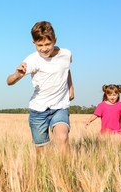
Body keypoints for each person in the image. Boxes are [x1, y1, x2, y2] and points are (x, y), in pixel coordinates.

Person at [7, 21, 74, 154]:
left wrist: (71, 88)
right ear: (34, 43)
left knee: (62, 137)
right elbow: (9, 82)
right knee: (41, 151)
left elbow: (67, 70)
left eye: (48, 44)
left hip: (60, 107)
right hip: (38, 110)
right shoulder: (32, 60)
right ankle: (41, 172)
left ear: (54, 40)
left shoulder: (66, 54)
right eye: (40, 45)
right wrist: (16, 75)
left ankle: (65, 170)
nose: (44, 48)